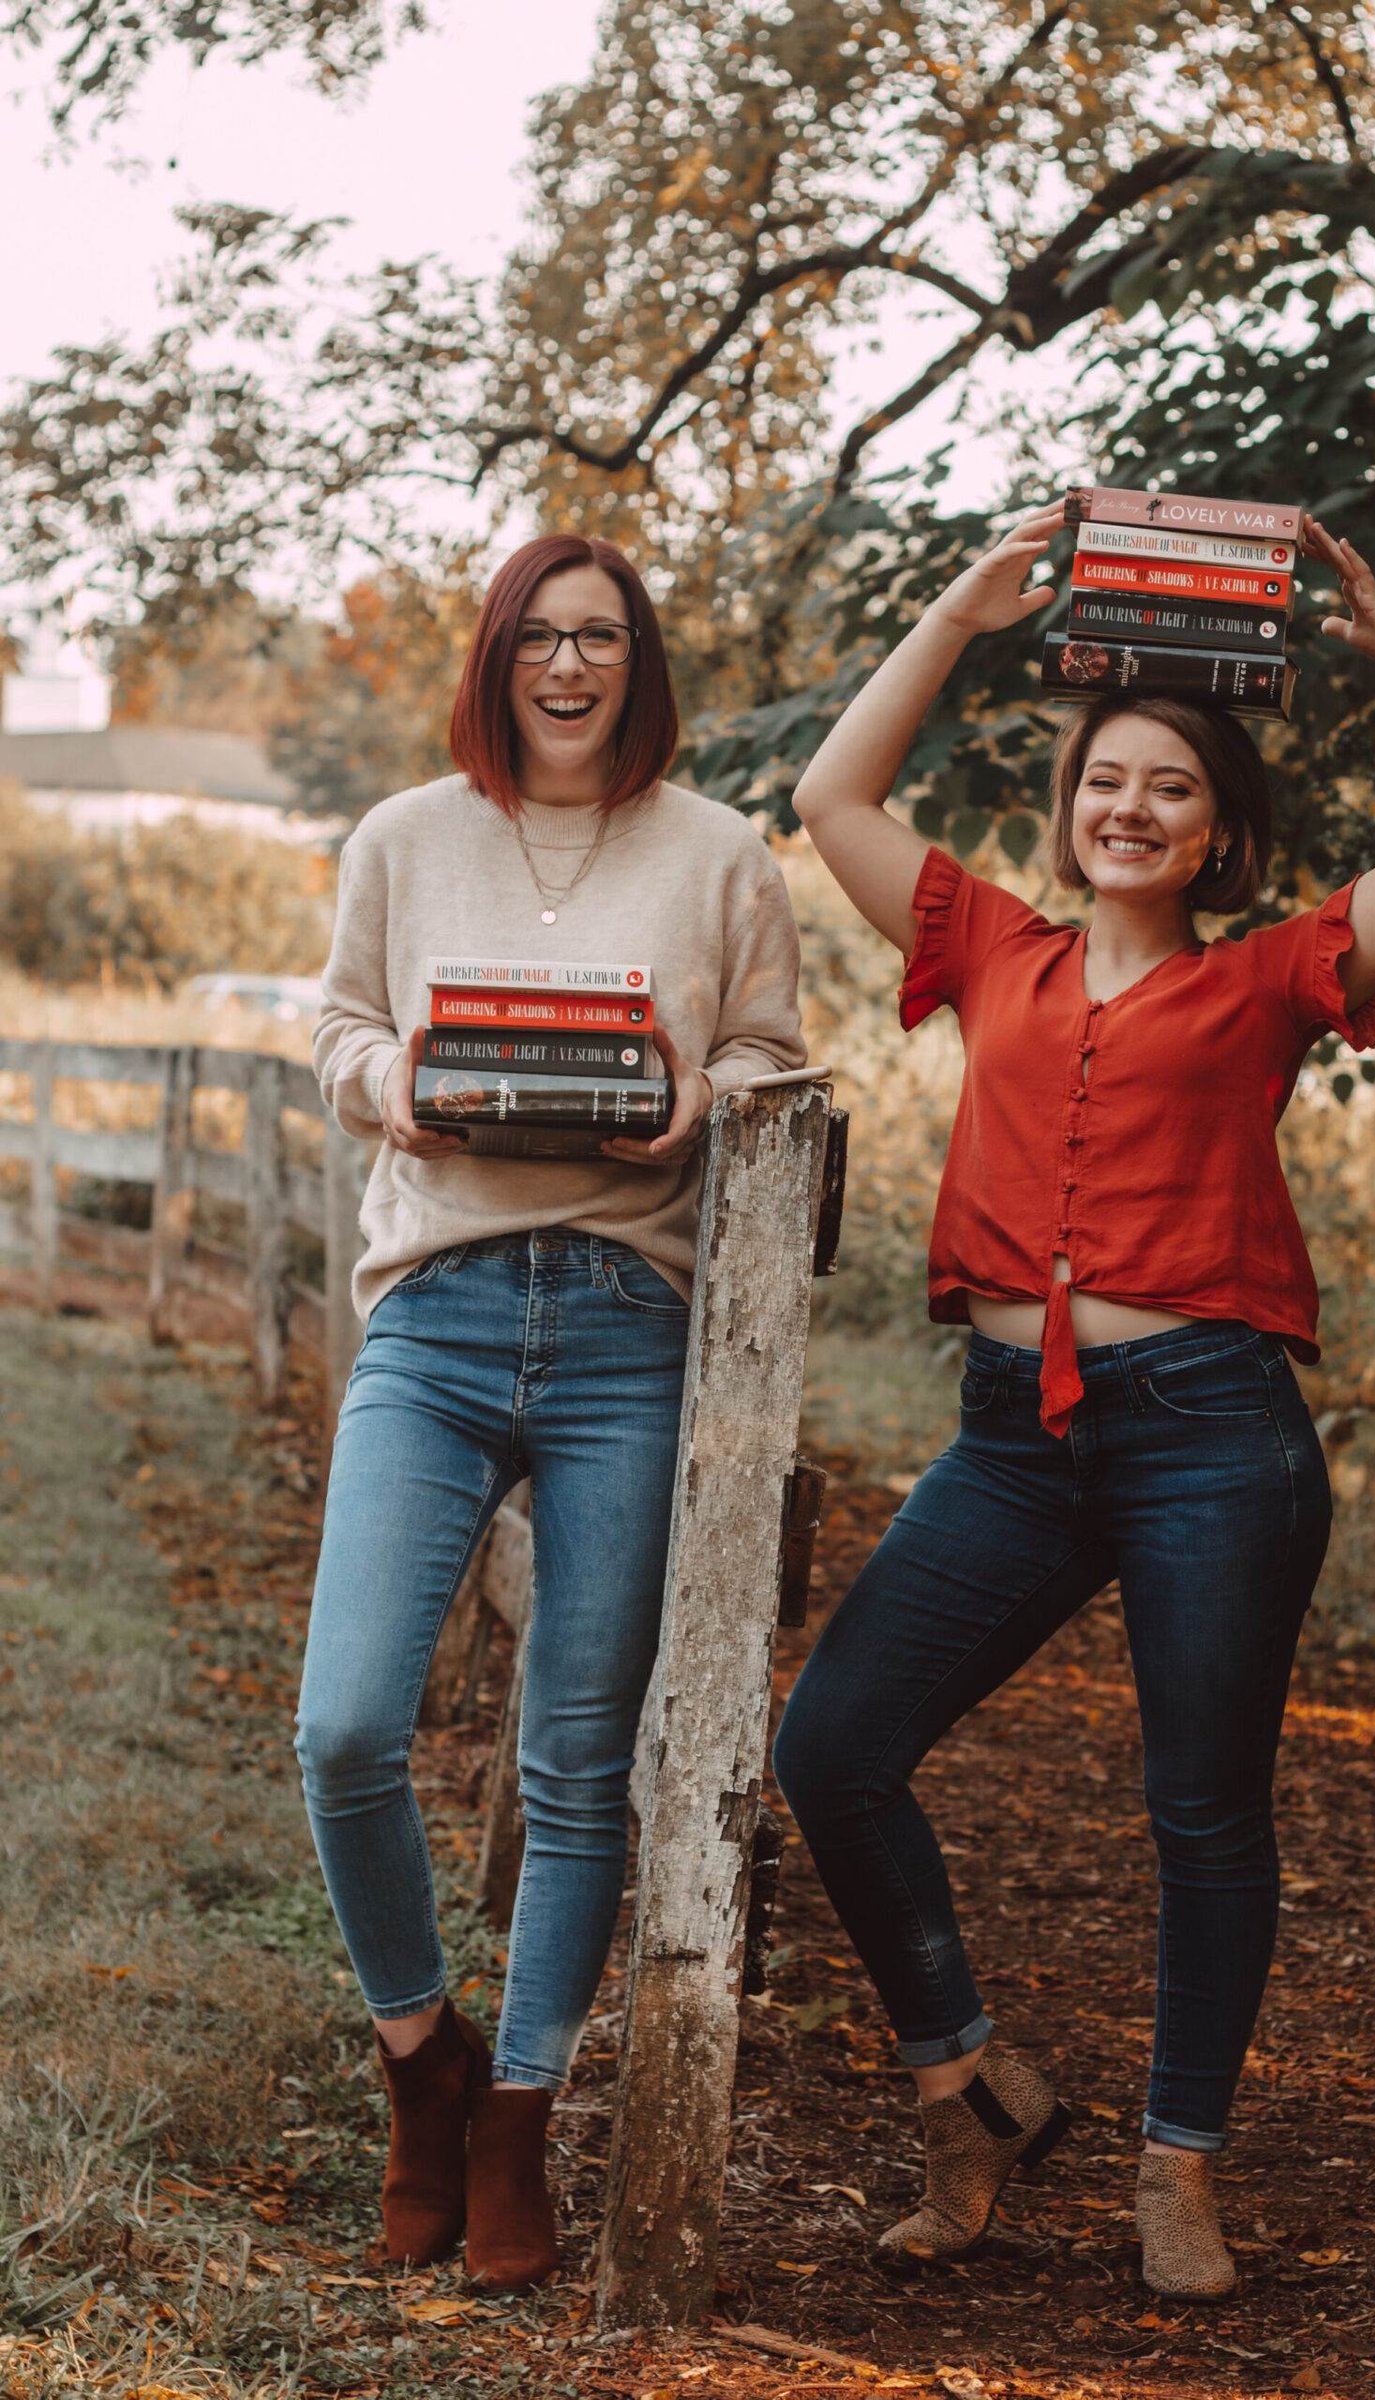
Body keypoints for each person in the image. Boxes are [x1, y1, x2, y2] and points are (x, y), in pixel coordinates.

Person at [772, 499, 1375, 2297]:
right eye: (1110, 778)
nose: (1133, 808)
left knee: (1202, 1813)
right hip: (1007, 1443)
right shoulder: (988, 949)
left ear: (1220, 830)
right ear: (1072, 799)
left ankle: (1180, 2168)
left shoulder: (1276, 978)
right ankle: (969, 2089)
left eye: (1173, 789)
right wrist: (960, 610)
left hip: (1211, 1444)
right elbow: (829, 805)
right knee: (834, 1748)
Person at [300, 533, 804, 2290]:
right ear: (499, 656)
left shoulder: (722, 851)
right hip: (433, 1318)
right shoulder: (404, 836)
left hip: (623, 1326)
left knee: (584, 1756)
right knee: (345, 1727)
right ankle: (415, 2057)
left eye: (602, 638)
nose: (571, 667)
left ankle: (517, 2115)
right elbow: (344, 1032)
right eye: (541, 638)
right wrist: (402, 1089)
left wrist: (691, 1113)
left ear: (637, 661)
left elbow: (769, 1059)